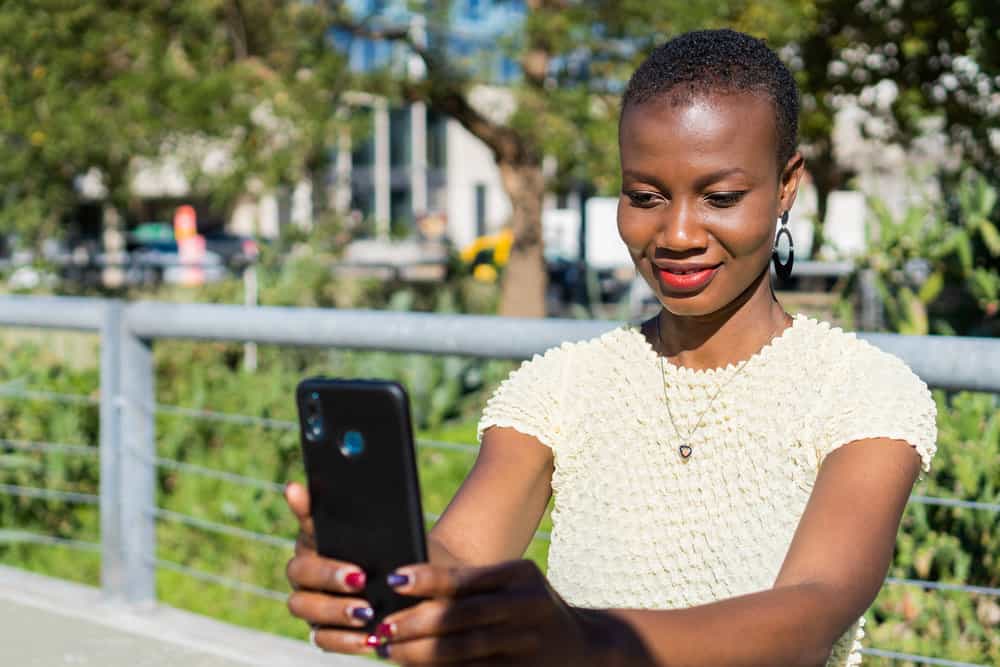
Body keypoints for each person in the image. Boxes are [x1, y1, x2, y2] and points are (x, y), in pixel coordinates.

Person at [283, 29, 937, 666]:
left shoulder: (863, 394)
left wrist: (584, 641)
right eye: (645, 196)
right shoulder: (559, 386)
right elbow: (461, 555)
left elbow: (807, 618)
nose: (677, 232)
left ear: (787, 184)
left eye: (721, 197)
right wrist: (386, 567)